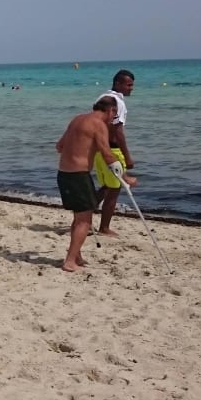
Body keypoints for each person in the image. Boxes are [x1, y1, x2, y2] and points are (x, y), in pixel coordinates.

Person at [57, 96, 134, 272]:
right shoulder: (99, 125)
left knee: (79, 217)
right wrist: (126, 177)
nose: (113, 119)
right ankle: (70, 261)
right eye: (114, 115)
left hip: (63, 174)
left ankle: (76, 255)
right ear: (111, 111)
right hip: (78, 176)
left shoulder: (77, 119)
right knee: (85, 220)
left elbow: (60, 146)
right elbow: (107, 155)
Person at [93, 69, 135, 237]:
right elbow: (118, 132)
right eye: (128, 85)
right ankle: (104, 228)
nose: (131, 88)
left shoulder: (100, 98)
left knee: (105, 187)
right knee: (114, 189)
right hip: (112, 149)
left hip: (98, 149)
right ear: (118, 83)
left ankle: (84, 219)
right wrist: (127, 156)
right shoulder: (118, 102)